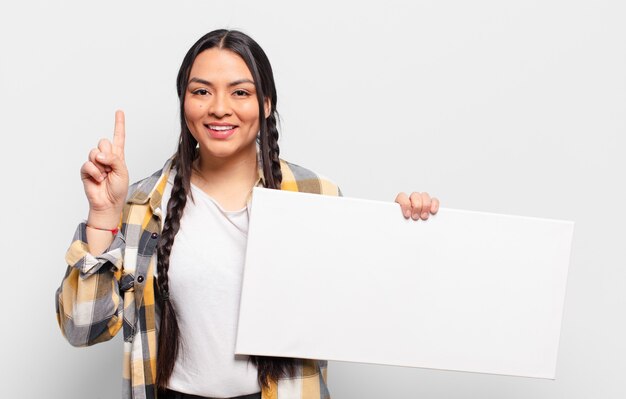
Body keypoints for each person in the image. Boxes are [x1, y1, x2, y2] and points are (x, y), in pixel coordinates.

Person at [55, 29, 439, 399]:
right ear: (184, 102)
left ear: (266, 104)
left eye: (240, 92)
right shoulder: (142, 202)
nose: (219, 107)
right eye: (201, 91)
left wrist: (404, 230)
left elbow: (368, 310)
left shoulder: (316, 195)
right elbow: (82, 328)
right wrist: (103, 213)